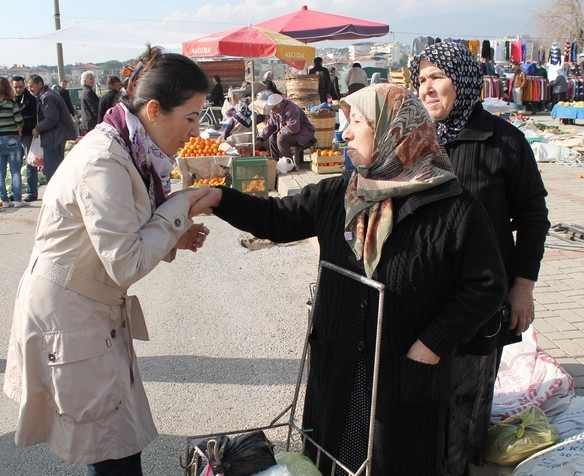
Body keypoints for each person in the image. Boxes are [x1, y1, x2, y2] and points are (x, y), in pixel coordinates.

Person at [190, 83, 507, 474]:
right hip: (339, 359)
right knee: (334, 453)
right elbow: (278, 218)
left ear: (396, 130)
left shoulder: (453, 208)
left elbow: (486, 285)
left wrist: (431, 344)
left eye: (358, 122)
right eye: (346, 122)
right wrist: (221, 198)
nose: (345, 133)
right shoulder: (343, 192)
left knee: (397, 458)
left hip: (404, 367)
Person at [4, 44, 214, 475]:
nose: (193, 131)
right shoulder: (105, 160)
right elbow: (125, 261)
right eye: (190, 117)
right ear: (154, 109)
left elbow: (118, 229)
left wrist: (173, 236)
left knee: (117, 442)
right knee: (110, 449)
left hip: (90, 313)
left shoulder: (127, 147)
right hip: (72, 318)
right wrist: (180, 207)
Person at [410, 41, 550, 476]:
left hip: (481, 300)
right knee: (419, 394)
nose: (426, 89)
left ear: (464, 80)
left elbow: (533, 216)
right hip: (420, 296)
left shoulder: (503, 141)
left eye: (437, 77)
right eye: (421, 80)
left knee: (467, 400)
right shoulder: (412, 139)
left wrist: (522, 287)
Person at [26, 74, 77, 183]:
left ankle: (54, 196)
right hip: (56, 135)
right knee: (56, 167)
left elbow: (51, 119)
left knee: (52, 169)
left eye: (31, 86)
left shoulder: (47, 97)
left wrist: (37, 129)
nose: (30, 89)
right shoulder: (47, 95)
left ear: (39, 84)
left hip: (54, 137)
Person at [0, 77, 25, 208]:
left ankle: (4, 201)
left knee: (0, 171)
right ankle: (18, 199)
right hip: (11, 139)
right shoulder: (11, 104)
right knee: (15, 171)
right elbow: (20, 121)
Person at [255, 93, 316, 160]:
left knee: (281, 138)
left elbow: (294, 128)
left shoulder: (292, 109)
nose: (272, 110)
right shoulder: (274, 112)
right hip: (290, 133)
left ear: (279, 106)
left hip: (303, 134)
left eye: (273, 108)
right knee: (272, 138)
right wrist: (261, 139)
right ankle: (276, 162)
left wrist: (280, 132)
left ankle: (288, 164)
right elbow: (270, 126)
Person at [12, 75, 39, 202]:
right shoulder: (10, 99)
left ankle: (31, 192)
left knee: (30, 164)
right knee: (15, 165)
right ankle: (16, 191)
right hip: (15, 136)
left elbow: (34, 117)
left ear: (24, 86)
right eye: (15, 87)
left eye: (20, 87)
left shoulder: (30, 99)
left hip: (27, 135)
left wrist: (20, 122)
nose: (18, 89)